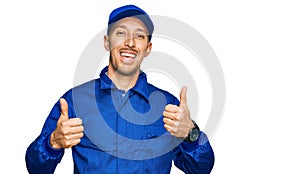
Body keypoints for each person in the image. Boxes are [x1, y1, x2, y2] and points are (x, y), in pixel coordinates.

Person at [25, 4, 214, 174]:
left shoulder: (168, 106)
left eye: (139, 36)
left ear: (147, 48)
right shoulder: (75, 101)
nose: (130, 43)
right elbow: (35, 168)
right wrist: (53, 143)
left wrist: (191, 132)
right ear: (107, 42)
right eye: (121, 33)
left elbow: (201, 168)